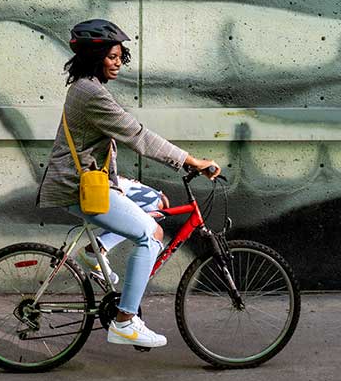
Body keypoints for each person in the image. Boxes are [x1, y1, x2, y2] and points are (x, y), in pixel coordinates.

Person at [36, 19, 220, 348]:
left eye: (121, 55)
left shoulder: (87, 87)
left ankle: (96, 252)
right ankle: (125, 321)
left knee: (156, 200)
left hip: (91, 180)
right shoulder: (92, 94)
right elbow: (139, 136)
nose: (118, 62)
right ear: (94, 57)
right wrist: (192, 161)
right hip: (79, 187)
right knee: (152, 236)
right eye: (111, 56)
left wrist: (124, 182)